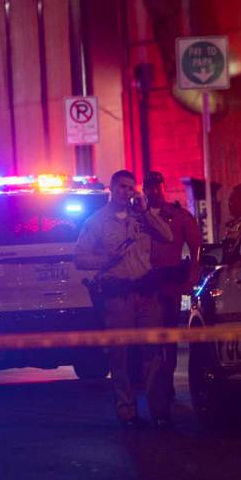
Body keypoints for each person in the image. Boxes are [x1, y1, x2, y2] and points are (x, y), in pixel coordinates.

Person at [75, 169, 173, 430]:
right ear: (112, 188)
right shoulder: (96, 222)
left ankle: (159, 411)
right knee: (120, 357)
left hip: (145, 293)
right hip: (117, 296)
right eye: (122, 187)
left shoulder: (141, 218)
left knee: (153, 354)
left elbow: (168, 236)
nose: (126, 192)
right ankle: (126, 411)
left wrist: (145, 213)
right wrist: (103, 261)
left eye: (131, 187)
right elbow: (79, 258)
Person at [143, 171, 202, 406]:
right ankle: (153, 385)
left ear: (164, 188)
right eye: (149, 187)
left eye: (158, 187)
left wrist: (190, 281)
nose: (153, 191)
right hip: (144, 286)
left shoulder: (179, 217)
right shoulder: (137, 218)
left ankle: (165, 384)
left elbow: (197, 250)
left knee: (168, 341)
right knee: (147, 342)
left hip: (169, 287)